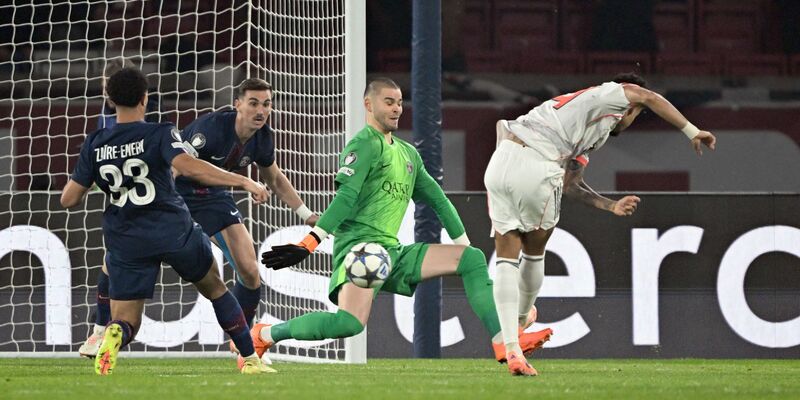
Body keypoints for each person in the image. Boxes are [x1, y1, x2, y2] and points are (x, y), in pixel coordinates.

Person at [256, 77, 552, 374]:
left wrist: (463, 248)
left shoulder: (408, 154)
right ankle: (265, 334)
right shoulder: (362, 145)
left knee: (472, 258)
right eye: (389, 102)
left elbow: (439, 202)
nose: (397, 108)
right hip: (359, 252)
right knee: (348, 324)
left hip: (391, 252)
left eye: (399, 102)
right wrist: (309, 243)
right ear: (368, 104)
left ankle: (504, 341)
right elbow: (345, 198)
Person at [484, 73, 717, 376]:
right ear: (630, 107)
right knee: (534, 249)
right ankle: (520, 319)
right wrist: (692, 130)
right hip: (538, 162)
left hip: (501, 161)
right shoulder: (609, 95)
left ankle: (512, 343)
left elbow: (570, 184)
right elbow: (647, 95)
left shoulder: (588, 125)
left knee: (505, 253)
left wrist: (611, 205)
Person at [61, 67, 273, 375]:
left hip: (127, 238)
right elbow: (189, 167)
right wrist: (244, 182)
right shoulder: (160, 133)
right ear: (145, 99)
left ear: (109, 100)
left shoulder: (95, 144)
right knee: (216, 288)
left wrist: (100, 176)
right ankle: (250, 359)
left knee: (127, 321)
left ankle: (113, 332)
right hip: (173, 230)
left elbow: (68, 199)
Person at [175, 78, 319, 351]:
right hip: (175, 196)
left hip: (213, 198)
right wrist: (244, 182)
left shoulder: (263, 137)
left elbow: (274, 178)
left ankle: (243, 344)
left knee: (251, 272)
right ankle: (101, 326)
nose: (260, 111)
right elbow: (181, 166)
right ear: (237, 104)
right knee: (143, 253)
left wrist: (306, 214)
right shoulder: (210, 129)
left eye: (266, 104)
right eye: (253, 103)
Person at [78, 57, 163, 358]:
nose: (105, 90)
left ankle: (101, 332)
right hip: (133, 203)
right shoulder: (110, 118)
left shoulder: (117, 120)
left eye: (107, 84)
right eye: (103, 84)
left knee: (111, 264)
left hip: (137, 205)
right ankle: (101, 332)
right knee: (109, 264)